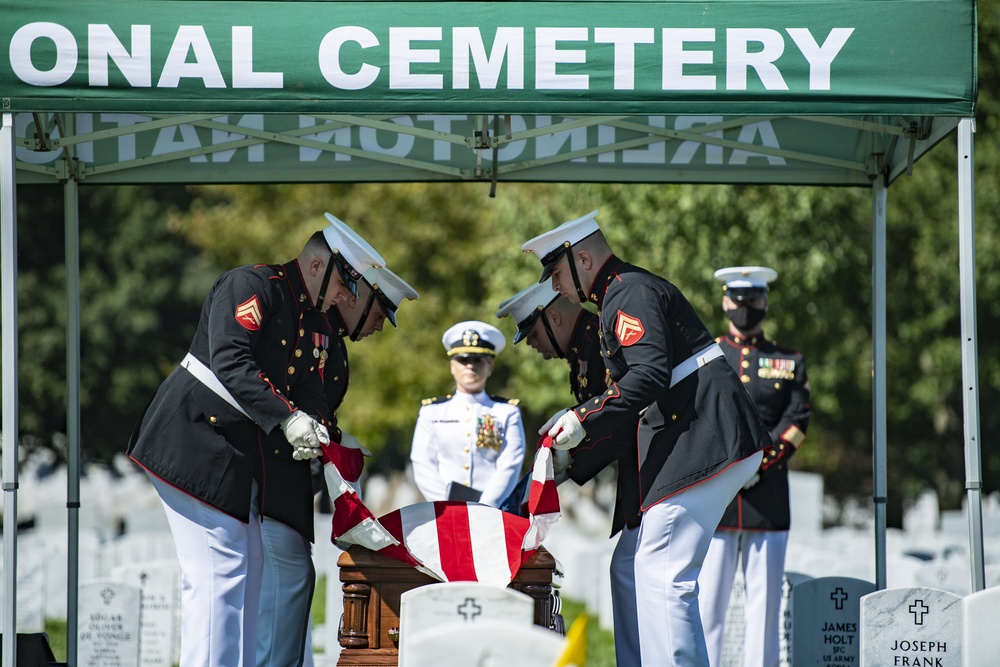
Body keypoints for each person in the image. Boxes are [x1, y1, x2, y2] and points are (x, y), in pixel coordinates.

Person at [127, 212, 385, 667]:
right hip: (194, 441)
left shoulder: (311, 316)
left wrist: (315, 423)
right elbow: (232, 362)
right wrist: (288, 420)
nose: (347, 297)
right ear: (317, 268)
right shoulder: (254, 286)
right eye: (344, 285)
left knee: (248, 575)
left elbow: (307, 384)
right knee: (219, 574)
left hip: (227, 452)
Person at [520, 211, 772, 666]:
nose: (555, 286)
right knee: (639, 568)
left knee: (664, 575)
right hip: (695, 436)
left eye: (556, 272)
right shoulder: (618, 294)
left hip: (704, 437)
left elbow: (649, 374)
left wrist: (582, 418)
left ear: (582, 258)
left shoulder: (627, 291)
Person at [257, 259, 418, 667]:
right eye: (379, 313)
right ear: (355, 297)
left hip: (288, 482)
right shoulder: (314, 326)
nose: (380, 326)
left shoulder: (329, 337)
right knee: (283, 587)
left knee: (293, 586)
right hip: (267, 478)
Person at [698, 266, 811, 667]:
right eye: (738, 302)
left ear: (764, 303)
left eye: (754, 302)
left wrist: (761, 462)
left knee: (764, 603)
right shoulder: (708, 357)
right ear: (726, 302)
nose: (745, 309)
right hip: (720, 497)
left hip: (768, 495)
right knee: (709, 601)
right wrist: (732, 465)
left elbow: (797, 420)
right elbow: (701, 417)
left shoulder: (788, 361)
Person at [495, 279, 615, 503]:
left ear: (555, 317)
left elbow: (620, 416)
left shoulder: (601, 341)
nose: (531, 343)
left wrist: (571, 457)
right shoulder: (583, 349)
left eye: (534, 333)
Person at [409, 320, 526, 507]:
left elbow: (509, 465)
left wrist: (485, 507)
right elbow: (423, 464)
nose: (470, 366)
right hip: (444, 512)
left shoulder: (507, 412)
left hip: (494, 512)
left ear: (490, 367)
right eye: (463, 360)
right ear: (452, 366)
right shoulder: (431, 412)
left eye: (478, 360)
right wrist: (447, 507)